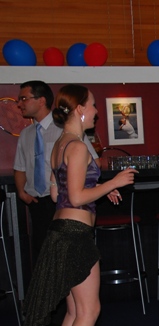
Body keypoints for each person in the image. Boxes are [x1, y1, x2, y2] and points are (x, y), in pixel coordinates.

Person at [21, 84, 137, 326]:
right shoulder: (77, 146)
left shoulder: (61, 144)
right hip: (75, 235)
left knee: (74, 312)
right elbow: (75, 196)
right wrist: (112, 182)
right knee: (89, 311)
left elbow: (58, 193)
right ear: (80, 109)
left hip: (62, 231)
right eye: (94, 105)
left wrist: (96, 187)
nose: (97, 111)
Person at [13, 80, 99, 271]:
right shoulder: (26, 134)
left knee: (66, 264)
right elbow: (20, 167)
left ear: (41, 100)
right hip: (37, 202)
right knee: (44, 258)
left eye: (24, 98)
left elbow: (92, 161)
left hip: (62, 201)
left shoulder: (65, 129)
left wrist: (95, 186)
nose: (19, 103)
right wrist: (22, 192)